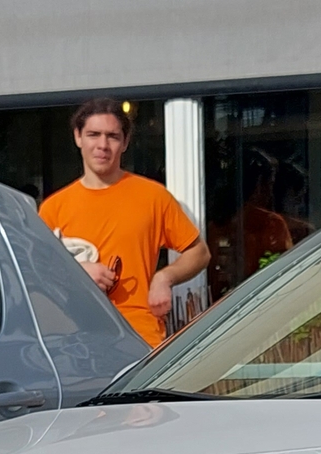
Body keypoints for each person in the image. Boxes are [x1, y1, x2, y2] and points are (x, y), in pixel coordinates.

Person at [40, 98, 209, 347]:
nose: (102, 145)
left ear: (125, 142)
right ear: (78, 137)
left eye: (112, 136)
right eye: (93, 134)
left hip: (140, 339)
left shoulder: (152, 196)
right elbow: (36, 275)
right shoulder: (53, 208)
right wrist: (78, 273)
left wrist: (165, 278)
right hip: (76, 341)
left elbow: (200, 253)